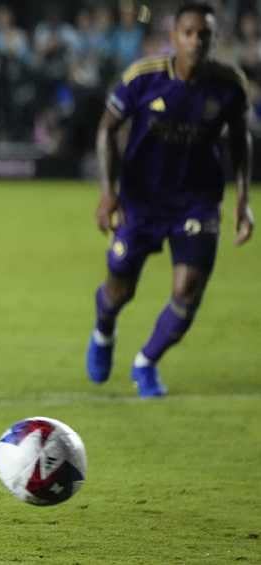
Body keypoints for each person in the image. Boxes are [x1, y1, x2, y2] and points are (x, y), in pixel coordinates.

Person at [86, 2, 254, 397]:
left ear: (213, 39)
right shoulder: (143, 77)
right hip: (141, 200)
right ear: (174, 36)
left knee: (188, 288)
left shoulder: (229, 84)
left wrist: (243, 199)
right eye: (189, 32)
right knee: (120, 289)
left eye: (204, 34)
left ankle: (146, 363)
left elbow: (240, 141)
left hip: (196, 200)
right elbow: (106, 129)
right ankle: (104, 327)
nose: (196, 41)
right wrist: (108, 192)